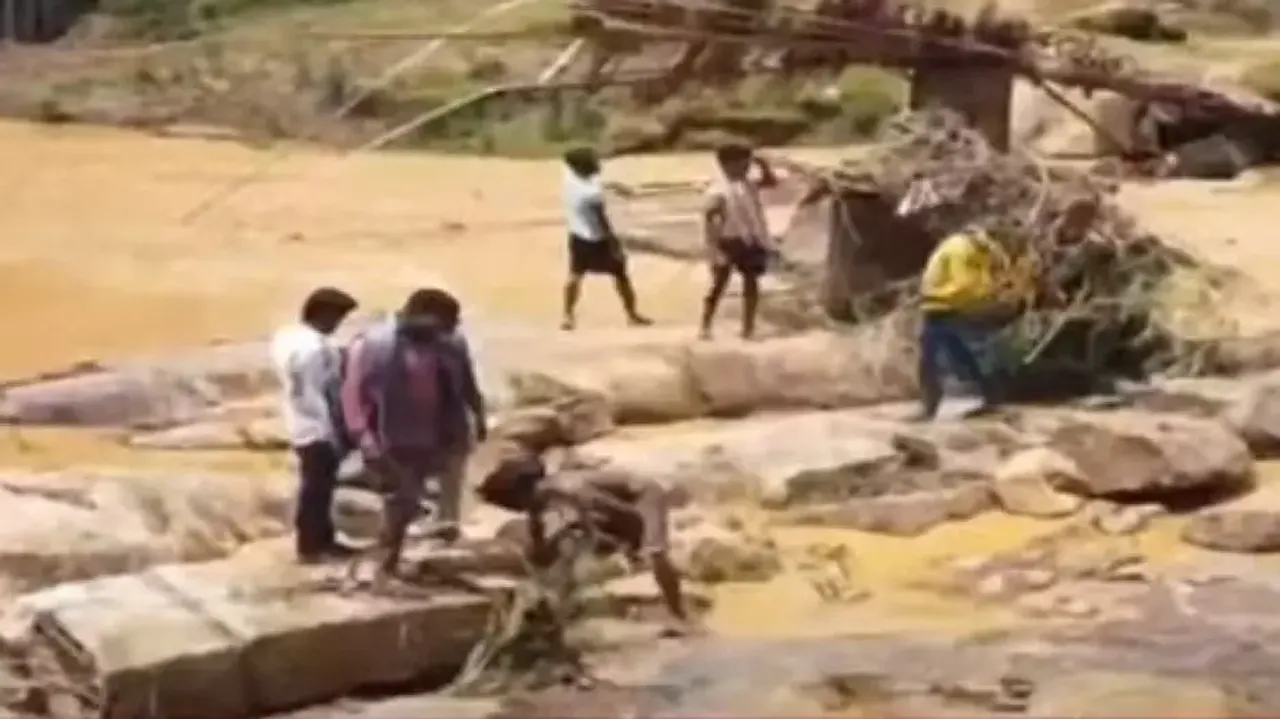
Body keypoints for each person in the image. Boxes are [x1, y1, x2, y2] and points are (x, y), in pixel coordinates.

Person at [477, 444, 697, 635]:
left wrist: (631, 543)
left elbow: (625, 515)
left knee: (655, 553)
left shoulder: (567, 490)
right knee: (569, 551)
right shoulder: (540, 497)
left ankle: (680, 615)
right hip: (609, 508)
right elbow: (540, 537)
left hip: (642, 495)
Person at [341, 288, 466, 579]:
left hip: (426, 437)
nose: (447, 332)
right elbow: (354, 397)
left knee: (407, 504)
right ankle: (381, 566)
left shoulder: (440, 346)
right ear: (421, 316)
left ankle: (388, 563)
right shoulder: (373, 345)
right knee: (396, 501)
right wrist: (365, 440)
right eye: (443, 324)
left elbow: (451, 392)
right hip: (387, 439)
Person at [270, 286, 359, 564]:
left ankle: (322, 539)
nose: (337, 325)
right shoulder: (317, 349)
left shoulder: (287, 338)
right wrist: (337, 427)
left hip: (297, 421)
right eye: (337, 318)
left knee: (317, 486)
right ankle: (311, 546)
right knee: (317, 489)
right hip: (318, 425)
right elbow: (320, 392)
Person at [914, 224, 1024, 421]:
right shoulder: (969, 250)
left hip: (945, 308)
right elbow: (969, 284)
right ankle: (992, 401)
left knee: (937, 360)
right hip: (950, 308)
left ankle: (931, 407)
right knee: (965, 358)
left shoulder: (966, 248)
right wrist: (990, 293)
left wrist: (931, 294)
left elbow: (964, 284)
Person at [561, 146, 652, 332]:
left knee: (575, 275)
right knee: (621, 276)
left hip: (578, 236)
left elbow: (596, 182)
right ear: (585, 166)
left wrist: (615, 186)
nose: (598, 163)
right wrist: (614, 244)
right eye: (594, 161)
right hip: (596, 238)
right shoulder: (590, 195)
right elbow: (602, 220)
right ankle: (632, 314)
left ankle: (567, 316)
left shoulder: (570, 178)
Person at [700, 143, 778, 340]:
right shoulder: (718, 189)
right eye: (742, 164)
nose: (746, 168)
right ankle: (705, 325)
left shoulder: (747, 184)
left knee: (751, 283)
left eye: (747, 164)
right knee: (719, 285)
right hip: (728, 241)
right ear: (726, 165)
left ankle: (748, 327)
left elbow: (771, 182)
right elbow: (710, 217)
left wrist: (763, 164)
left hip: (749, 240)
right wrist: (713, 247)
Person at [433, 289, 488, 539]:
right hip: (418, 422)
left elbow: (468, 381)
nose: (456, 324)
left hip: (452, 419)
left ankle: (448, 525)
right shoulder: (402, 346)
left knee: (452, 478)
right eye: (450, 318)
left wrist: (479, 415)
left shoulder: (455, 342)